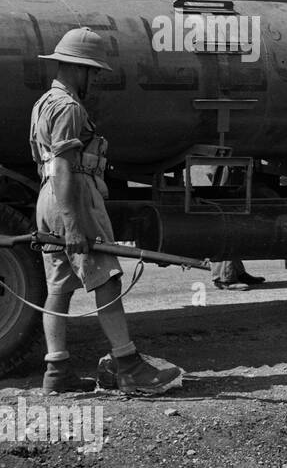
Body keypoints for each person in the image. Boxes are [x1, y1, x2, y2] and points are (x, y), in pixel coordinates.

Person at [29, 28, 182, 395]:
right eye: (93, 71)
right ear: (76, 68)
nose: (96, 78)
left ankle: (57, 371)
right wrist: (74, 225)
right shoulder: (68, 107)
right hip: (74, 195)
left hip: (47, 197)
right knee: (107, 280)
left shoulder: (43, 103)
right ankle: (129, 366)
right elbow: (66, 166)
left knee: (59, 287)